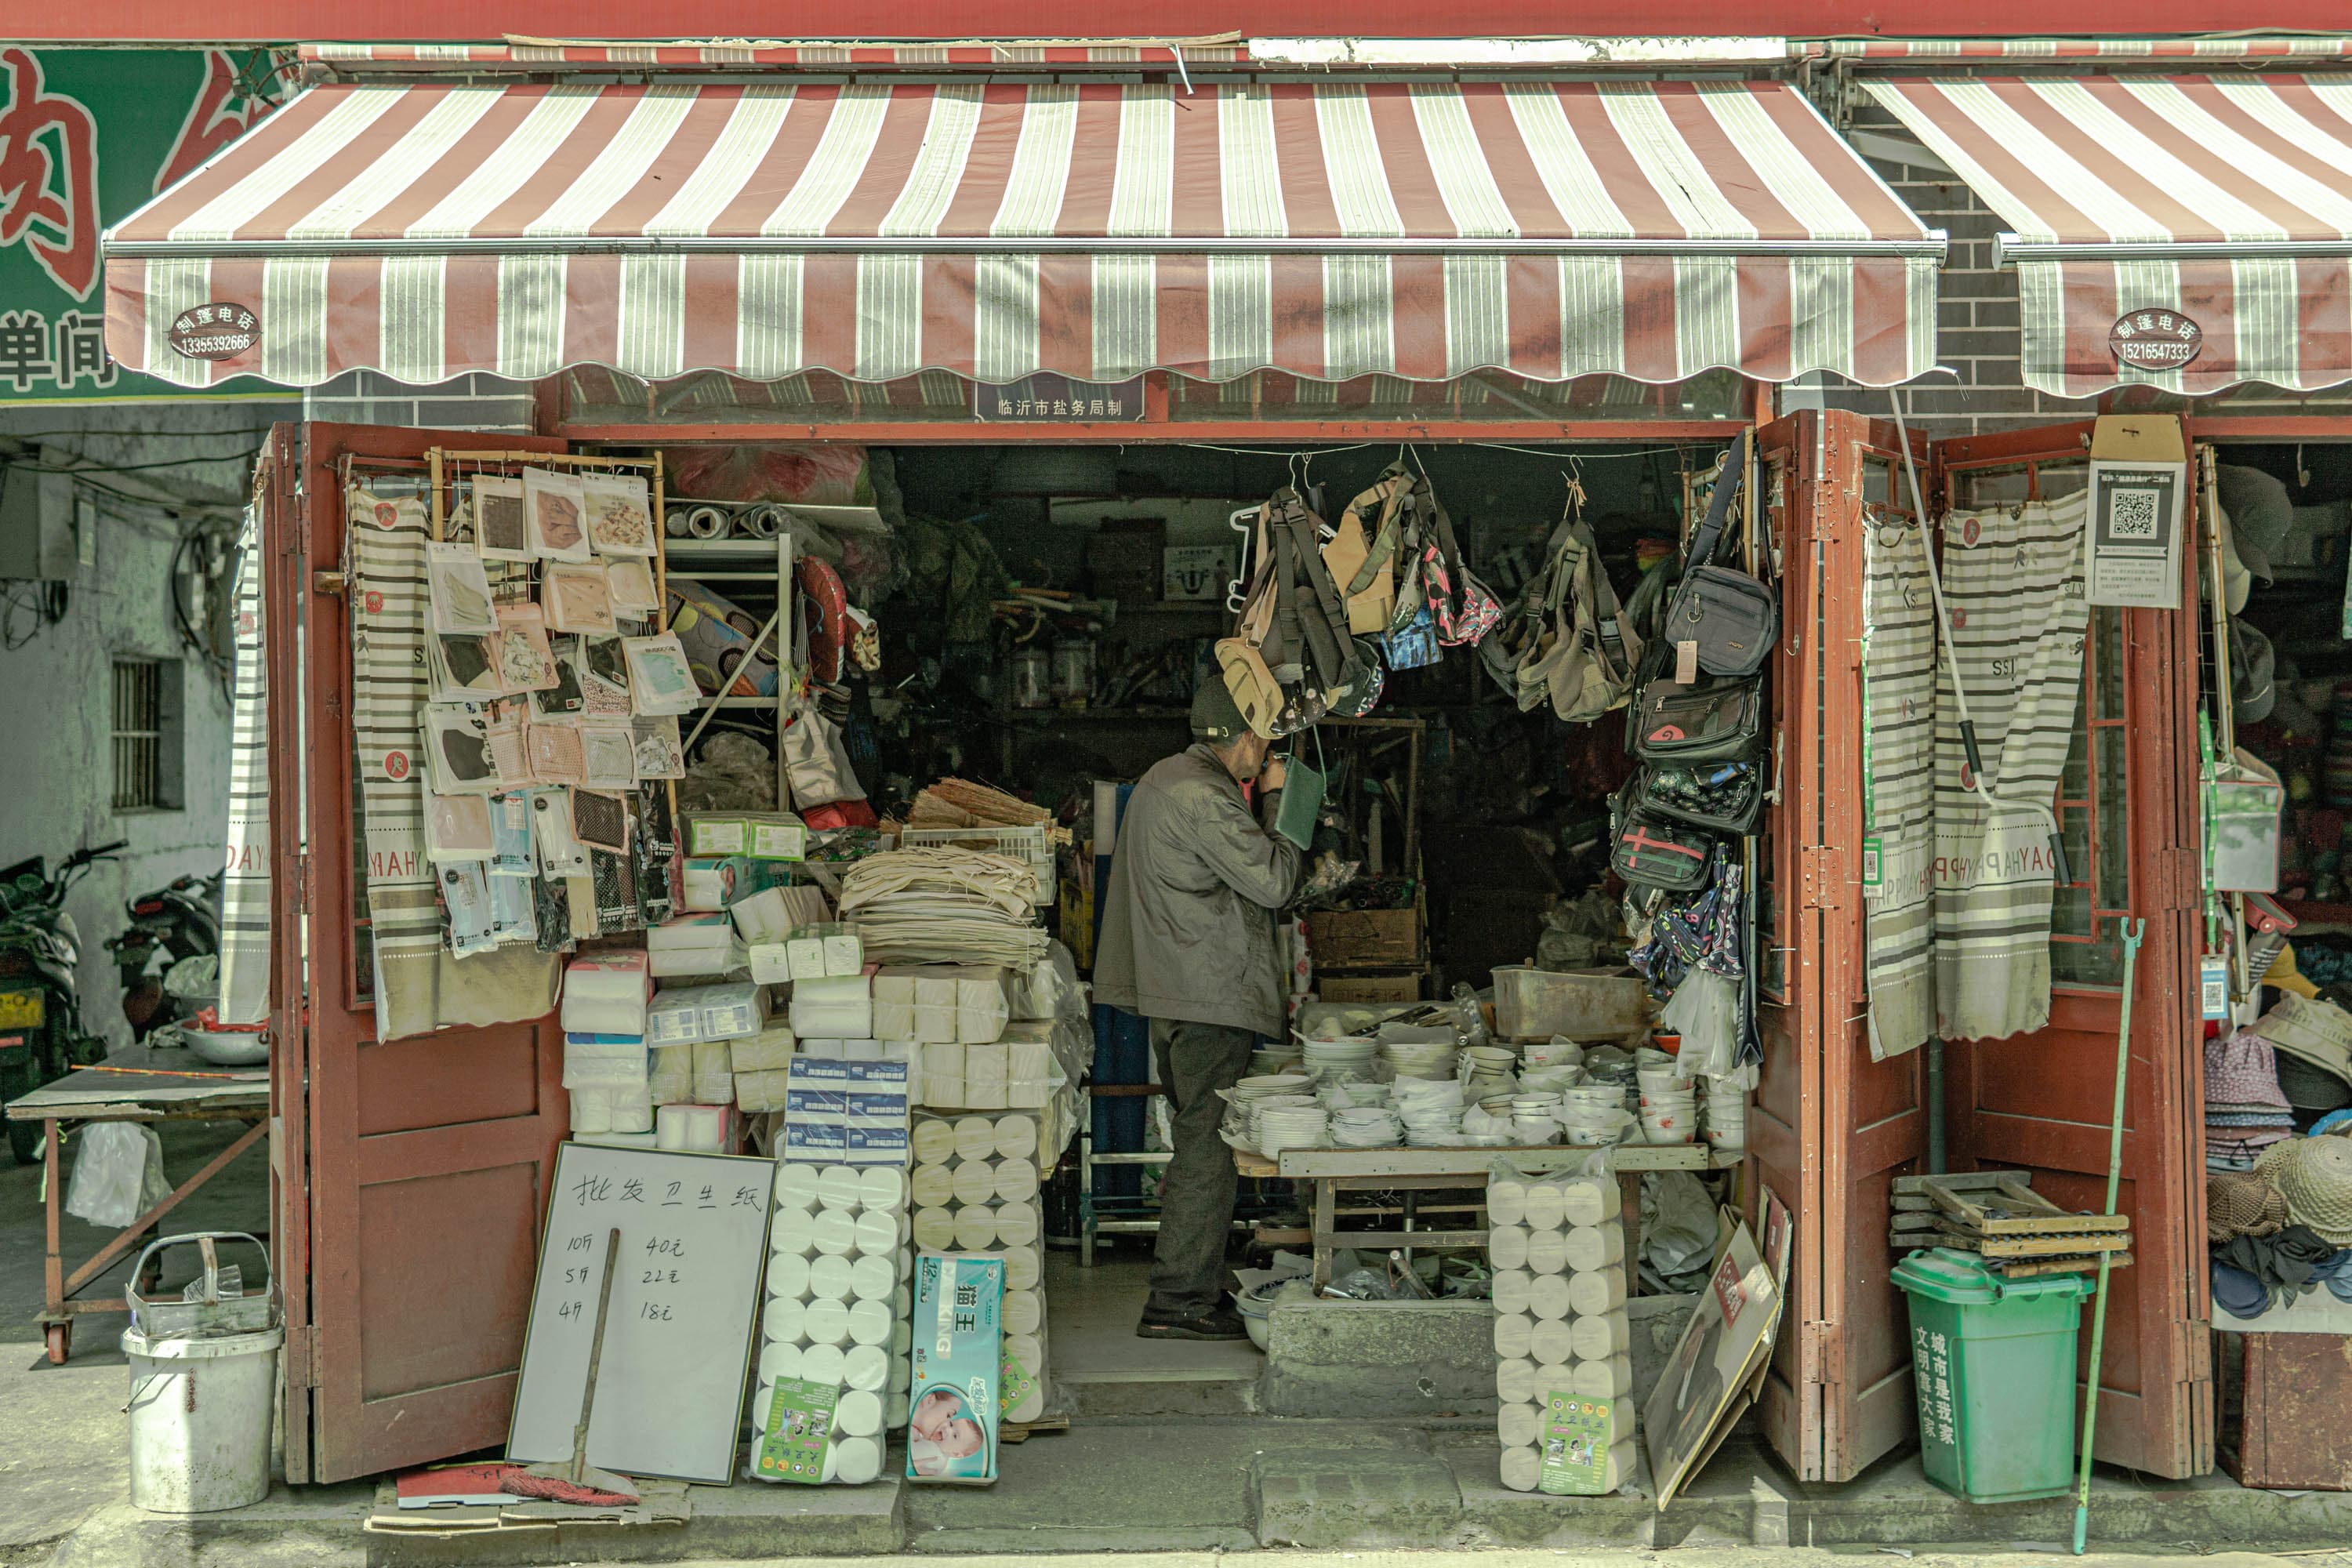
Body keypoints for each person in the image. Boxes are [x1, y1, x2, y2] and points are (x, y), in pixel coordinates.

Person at [1094, 679, 1305, 1341]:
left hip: (1180, 990)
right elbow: (1273, 880)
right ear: (1242, 737)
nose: (1264, 751)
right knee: (1207, 1148)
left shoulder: (1163, 779)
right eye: (1263, 739)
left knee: (1201, 1138)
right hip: (1208, 994)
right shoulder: (1206, 796)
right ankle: (1178, 1300)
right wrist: (1279, 802)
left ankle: (1194, 1286)